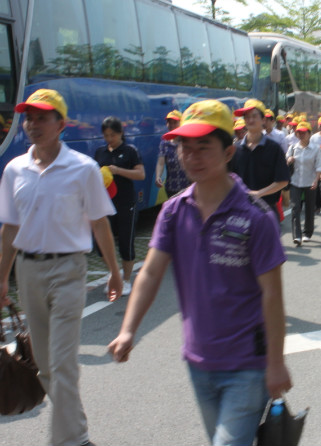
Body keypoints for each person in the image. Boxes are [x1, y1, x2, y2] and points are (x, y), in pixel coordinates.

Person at [107, 99, 292, 446]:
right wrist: (128, 329)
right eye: (184, 147)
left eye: (203, 147)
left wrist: (277, 362)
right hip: (198, 360)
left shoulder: (256, 217)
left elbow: (272, 294)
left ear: (227, 152)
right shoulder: (174, 211)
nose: (191, 156)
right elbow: (150, 273)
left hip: (249, 364)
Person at [0, 89, 123, 446]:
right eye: (29, 117)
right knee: (46, 368)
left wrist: (114, 271)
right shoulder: (14, 170)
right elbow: (9, 228)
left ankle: (68, 442)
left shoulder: (82, 169)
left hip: (68, 271)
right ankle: (79, 435)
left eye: (42, 117)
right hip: (27, 272)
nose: (33, 124)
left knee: (63, 362)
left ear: (61, 124)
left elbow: (99, 223)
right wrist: (2, 278)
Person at [95, 116, 146, 296]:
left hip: (126, 204)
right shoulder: (101, 152)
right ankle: (114, 273)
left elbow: (141, 174)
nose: (109, 139)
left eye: (113, 135)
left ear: (121, 133)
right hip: (105, 205)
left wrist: (118, 171)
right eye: (106, 135)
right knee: (100, 244)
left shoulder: (130, 150)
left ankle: (125, 280)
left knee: (126, 244)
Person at [230, 99, 290, 219]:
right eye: (246, 117)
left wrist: (259, 194)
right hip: (240, 211)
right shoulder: (235, 149)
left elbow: (283, 180)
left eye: (254, 116)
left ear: (263, 120)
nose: (250, 120)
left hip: (267, 211)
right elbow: (228, 178)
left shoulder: (274, 148)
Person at [286, 122, 321, 245]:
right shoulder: (292, 148)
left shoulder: (316, 148)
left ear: (309, 133)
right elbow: (286, 163)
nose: (301, 134)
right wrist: (289, 160)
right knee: (295, 208)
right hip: (295, 182)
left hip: (310, 181)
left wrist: (316, 180)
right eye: (299, 132)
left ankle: (308, 233)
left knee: (309, 209)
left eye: (303, 132)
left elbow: (319, 167)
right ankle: (297, 236)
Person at [155, 110, 191, 197]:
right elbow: (160, 163)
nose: (171, 125)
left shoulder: (188, 141)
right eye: (169, 122)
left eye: (175, 122)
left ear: (181, 123)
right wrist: (158, 177)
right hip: (171, 187)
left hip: (188, 186)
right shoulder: (164, 143)